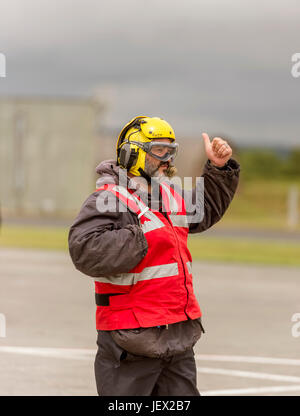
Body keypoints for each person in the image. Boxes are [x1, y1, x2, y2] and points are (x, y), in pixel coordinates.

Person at [68, 116, 240, 396]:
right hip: (132, 338)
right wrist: (138, 238)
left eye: (172, 151)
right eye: (160, 151)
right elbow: (83, 249)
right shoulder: (110, 198)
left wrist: (218, 168)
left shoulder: (168, 195)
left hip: (177, 335)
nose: (168, 159)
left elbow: (205, 208)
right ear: (132, 152)